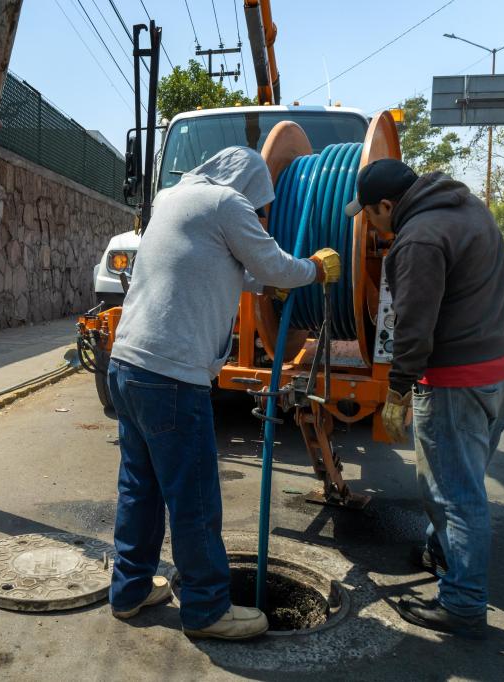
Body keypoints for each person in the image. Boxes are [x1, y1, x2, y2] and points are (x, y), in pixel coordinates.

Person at [106, 146, 340, 640]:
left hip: (127, 365)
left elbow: (220, 266)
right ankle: (208, 609)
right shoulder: (227, 203)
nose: (260, 213)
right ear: (249, 185)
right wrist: (315, 269)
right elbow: (275, 267)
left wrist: (266, 283)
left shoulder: (174, 197)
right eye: (261, 204)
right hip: (171, 376)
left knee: (140, 488)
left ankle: (129, 591)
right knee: (193, 499)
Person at [345, 158, 504, 639]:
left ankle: (462, 604)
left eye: (370, 215)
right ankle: (441, 554)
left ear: (387, 205)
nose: (370, 227)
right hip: (502, 372)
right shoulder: (469, 208)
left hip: (455, 382)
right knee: (464, 480)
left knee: (455, 495)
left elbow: (414, 327)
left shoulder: (418, 240)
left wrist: (398, 391)